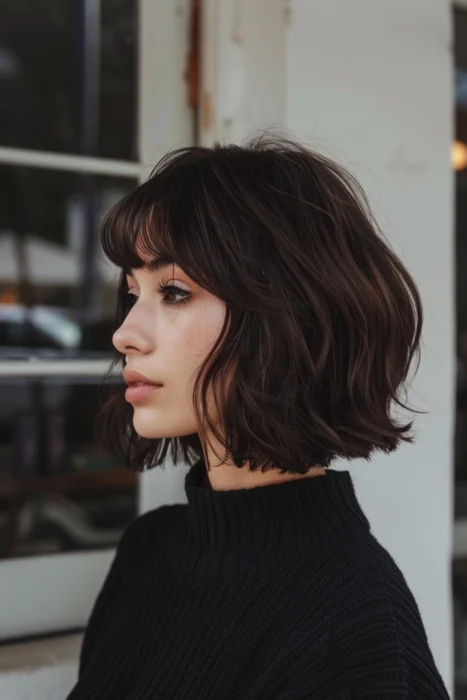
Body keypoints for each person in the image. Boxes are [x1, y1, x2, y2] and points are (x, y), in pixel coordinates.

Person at [67, 136, 450, 699]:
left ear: (287, 319)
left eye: (173, 291)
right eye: (133, 293)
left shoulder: (356, 621)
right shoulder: (148, 551)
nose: (125, 333)